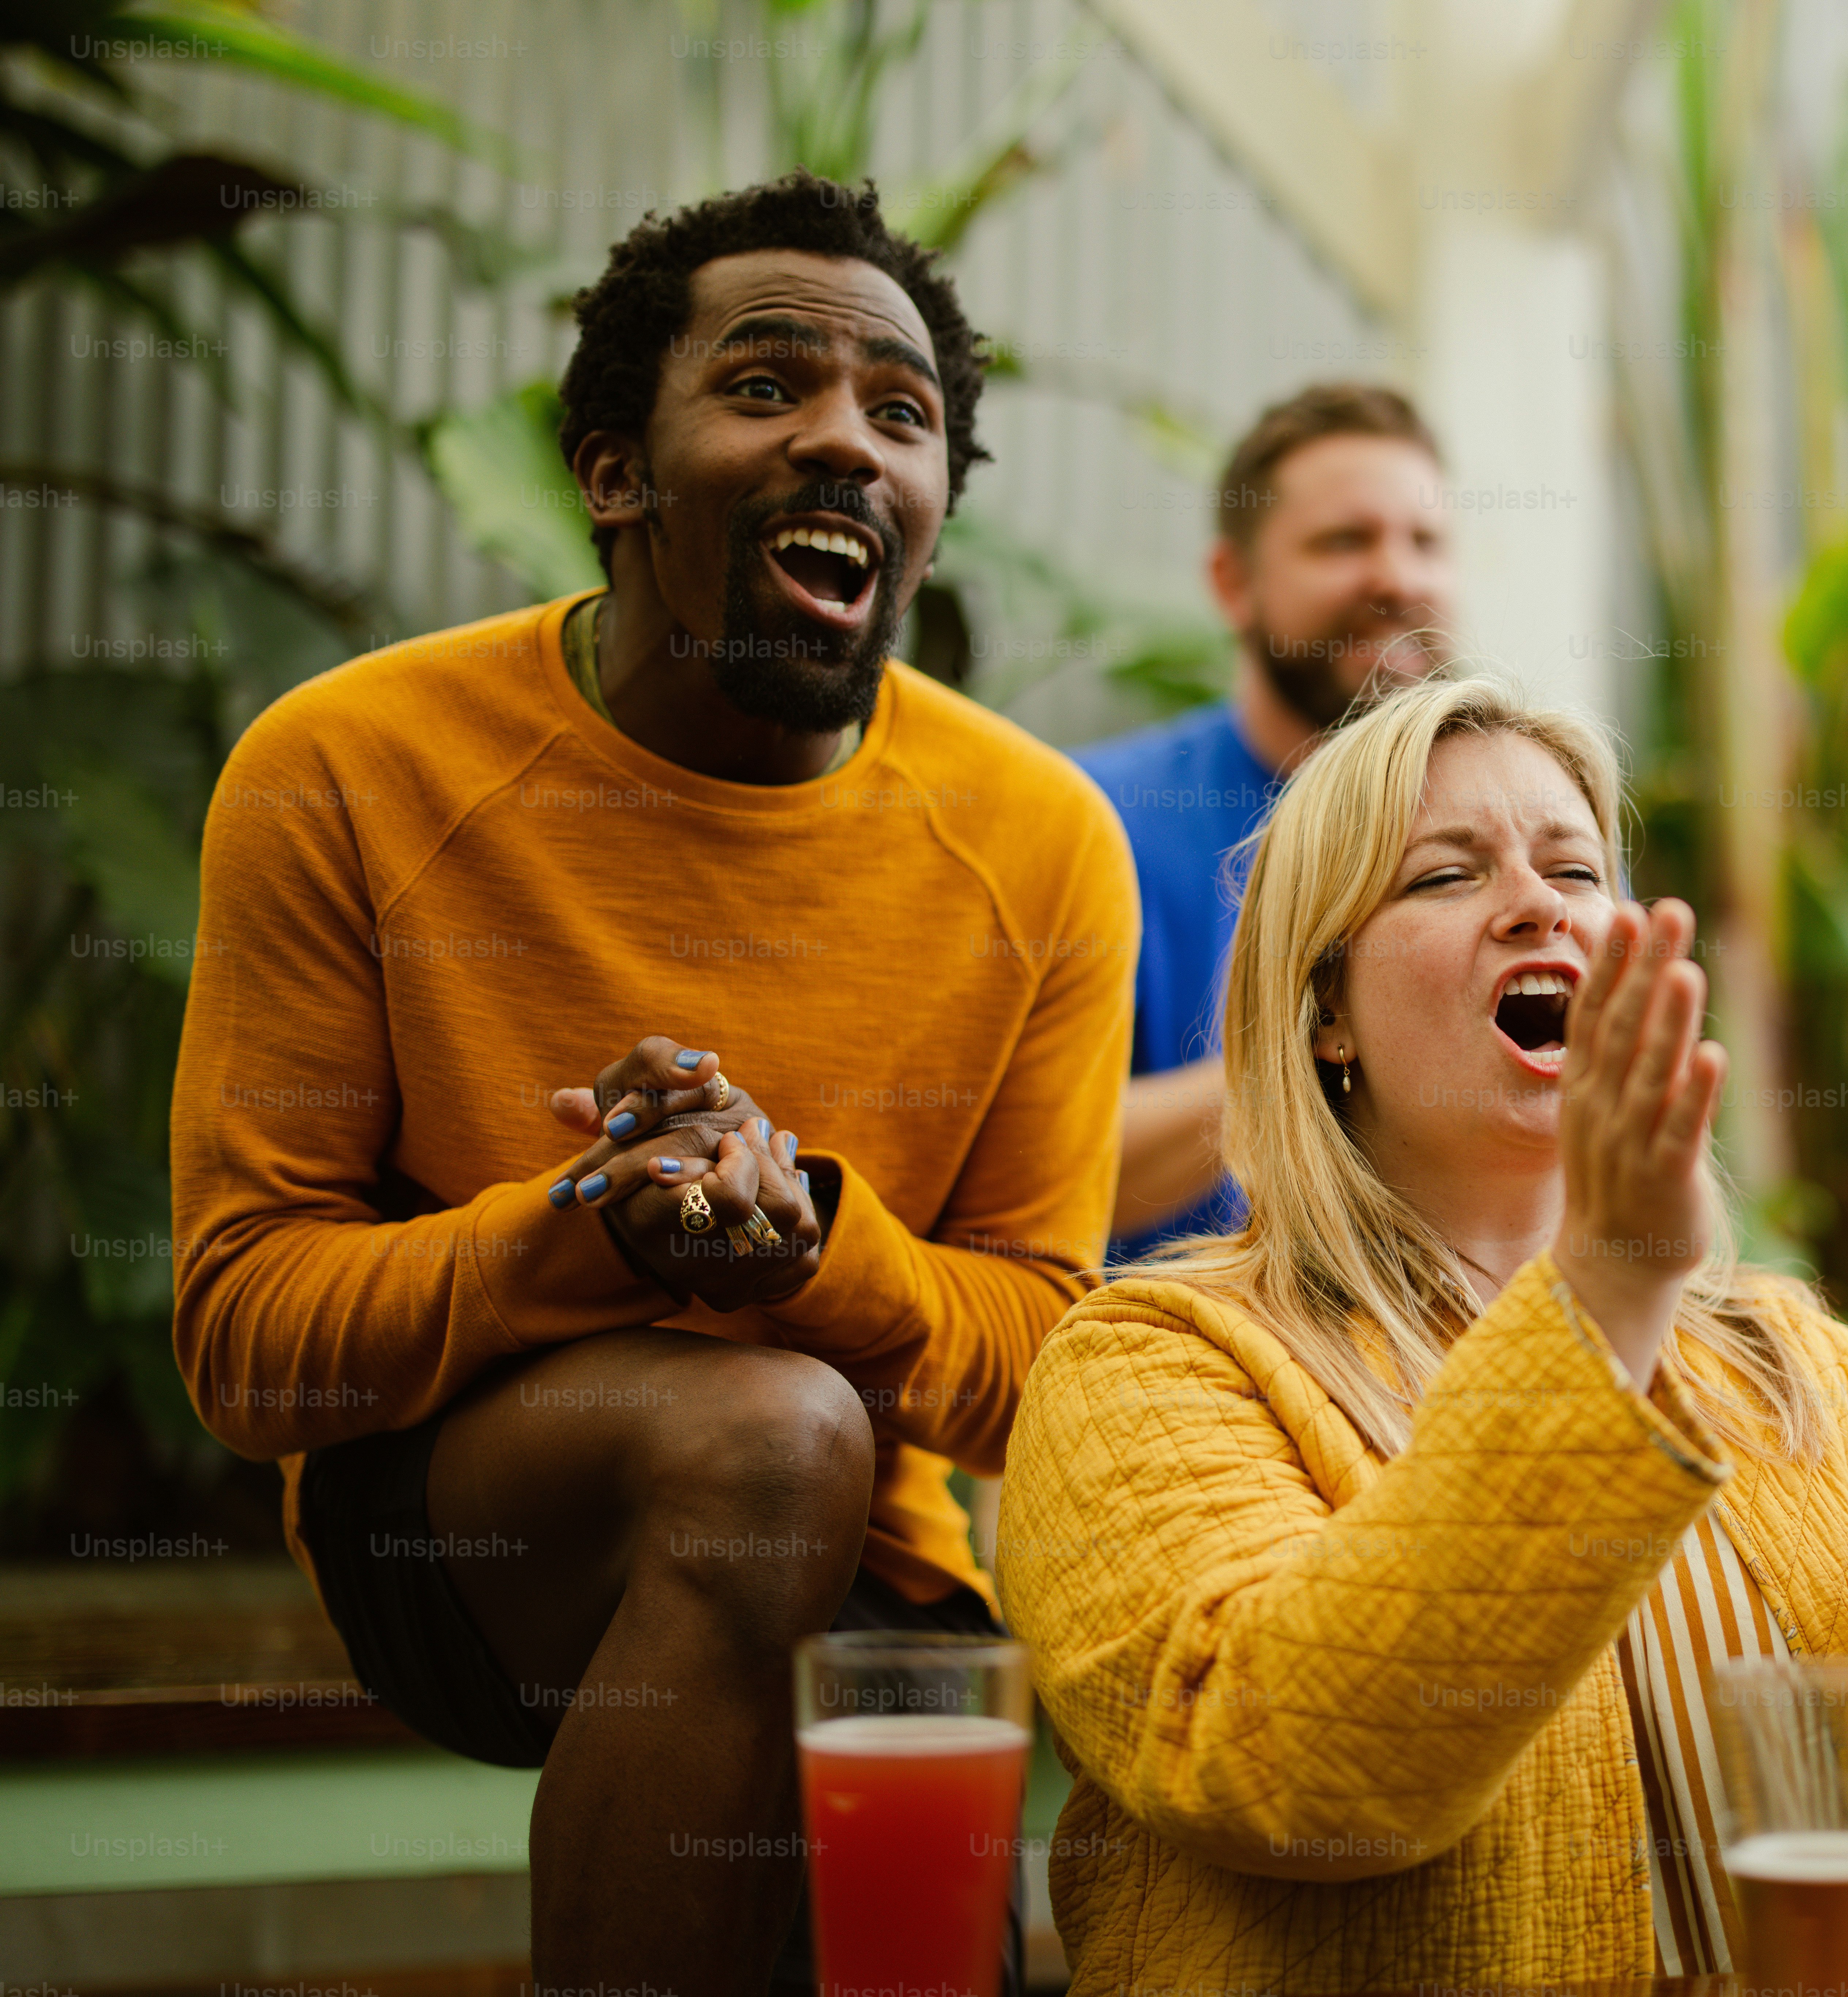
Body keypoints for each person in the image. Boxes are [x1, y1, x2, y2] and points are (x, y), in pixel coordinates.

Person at [168, 173, 1136, 1993]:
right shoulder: (348, 765)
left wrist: (805, 1255)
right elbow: (246, 1341)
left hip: (869, 1549)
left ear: (930, 512)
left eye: (901, 414)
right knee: (768, 1432)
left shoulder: (1043, 841)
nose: (845, 438)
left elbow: (1031, 1367)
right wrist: (591, 1233)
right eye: (768, 387)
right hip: (455, 1523)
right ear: (614, 473)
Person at [998, 675, 1848, 1992]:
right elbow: (1294, 1772)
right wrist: (1598, 1300)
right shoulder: (1151, 1362)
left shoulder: (1796, 1362)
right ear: (1325, 1013)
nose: (1538, 901)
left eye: (1576, 867)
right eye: (1444, 875)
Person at [1075, 383, 1456, 1258]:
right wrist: (1324, 1055)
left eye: (1425, 541)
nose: (1396, 577)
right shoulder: (1095, 820)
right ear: (1233, 582)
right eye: (1343, 541)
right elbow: (1038, 1169)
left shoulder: (1530, 826)